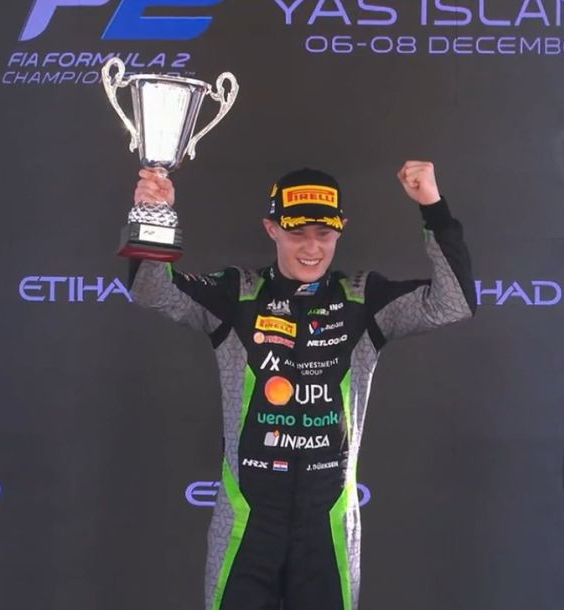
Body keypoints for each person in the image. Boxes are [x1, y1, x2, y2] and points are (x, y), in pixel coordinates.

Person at [129, 163, 476, 610]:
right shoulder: (238, 293)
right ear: (271, 228)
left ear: (341, 228)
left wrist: (433, 207)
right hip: (246, 524)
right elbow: (151, 290)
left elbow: (455, 302)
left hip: (328, 527)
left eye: (324, 234)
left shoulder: (362, 297)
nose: (312, 248)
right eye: (297, 233)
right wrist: (154, 216)